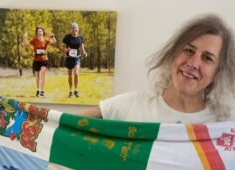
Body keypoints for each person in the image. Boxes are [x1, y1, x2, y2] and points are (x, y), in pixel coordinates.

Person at [77, 14, 235, 123]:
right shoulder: (130, 106)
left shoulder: (224, 125)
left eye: (207, 58)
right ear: (173, 54)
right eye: (188, 50)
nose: (193, 63)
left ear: (218, 73)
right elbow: (61, 126)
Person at [24, 26, 57, 97]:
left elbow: (54, 41)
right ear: (37, 33)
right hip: (36, 60)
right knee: (37, 76)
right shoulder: (34, 40)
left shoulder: (45, 40)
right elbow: (26, 44)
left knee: (42, 74)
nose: (40, 32)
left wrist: (52, 35)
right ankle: (38, 90)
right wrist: (25, 36)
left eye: (41, 31)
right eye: (38, 31)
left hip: (44, 60)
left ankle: (42, 91)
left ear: (43, 32)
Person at [62, 22, 87, 98]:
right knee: (70, 75)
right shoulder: (67, 37)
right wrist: (66, 49)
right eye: (73, 28)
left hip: (77, 58)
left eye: (75, 28)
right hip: (69, 58)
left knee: (76, 73)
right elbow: (62, 47)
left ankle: (76, 90)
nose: (74, 30)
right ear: (71, 29)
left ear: (77, 29)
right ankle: (70, 90)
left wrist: (84, 51)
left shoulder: (80, 38)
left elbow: (82, 46)